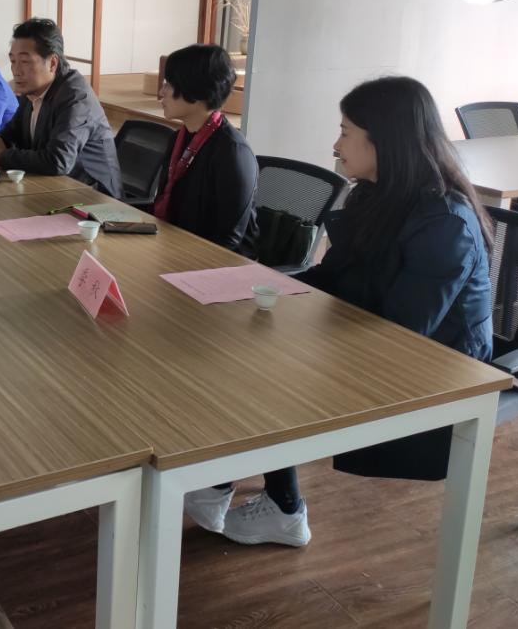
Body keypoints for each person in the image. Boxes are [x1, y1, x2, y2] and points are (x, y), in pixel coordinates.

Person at [185, 76, 494, 549]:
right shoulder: (376, 193)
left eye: (346, 132)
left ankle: (280, 505)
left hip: (440, 369)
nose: (335, 144)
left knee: (266, 365)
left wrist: (298, 325)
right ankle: (226, 479)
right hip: (376, 337)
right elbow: (336, 278)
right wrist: (258, 289)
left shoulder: (444, 223)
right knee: (240, 339)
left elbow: (404, 333)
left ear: (385, 139)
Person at [0, 18, 121, 197]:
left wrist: (0, 156)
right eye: (13, 61)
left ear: (52, 63)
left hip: (94, 196)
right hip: (56, 187)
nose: (16, 70)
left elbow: (58, 161)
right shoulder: (32, 90)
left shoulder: (75, 97)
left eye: (24, 61)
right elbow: (12, 133)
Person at [153, 44, 259, 256]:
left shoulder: (233, 152)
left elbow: (229, 240)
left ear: (196, 91)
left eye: (169, 85)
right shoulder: (178, 138)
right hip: (175, 246)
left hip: (218, 263)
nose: (161, 93)